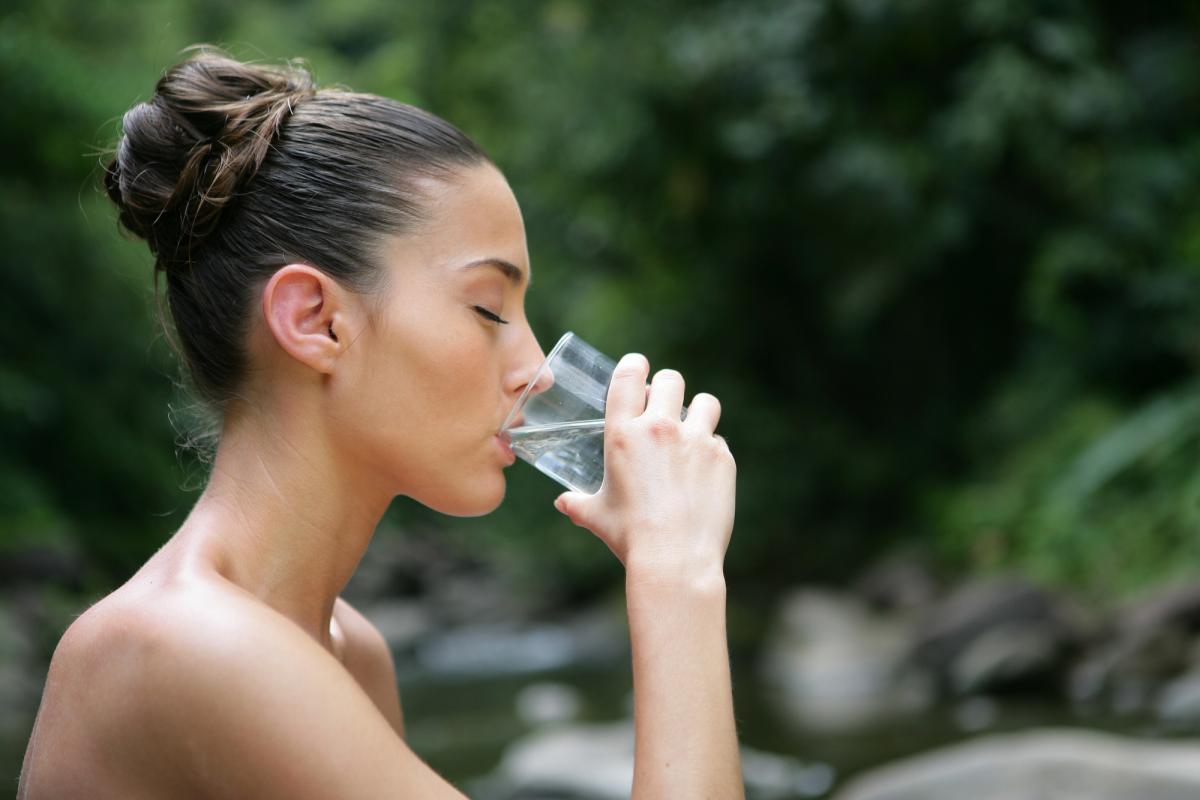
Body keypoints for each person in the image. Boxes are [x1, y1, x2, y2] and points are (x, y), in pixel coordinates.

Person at [17, 45, 741, 799]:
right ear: (317, 321)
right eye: (489, 308)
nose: (539, 369)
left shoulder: (346, 650)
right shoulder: (187, 647)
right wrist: (676, 575)